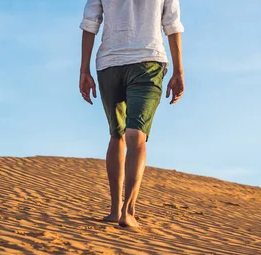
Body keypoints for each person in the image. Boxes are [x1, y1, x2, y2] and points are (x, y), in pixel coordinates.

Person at [79, 0, 185, 228]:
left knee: (117, 134)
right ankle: (127, 211)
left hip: (109, 64)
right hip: (148, 61)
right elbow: (172, 25)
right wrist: (179, 71)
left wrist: (84, 70)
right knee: (135, 135)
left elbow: (90, 23)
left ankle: (116, 210)